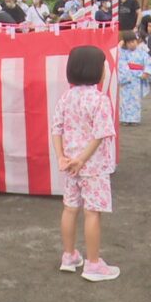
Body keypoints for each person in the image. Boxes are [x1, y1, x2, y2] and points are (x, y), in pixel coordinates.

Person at [52, 46, 120, 282]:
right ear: (96, 70)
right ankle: (93, 264)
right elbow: (100, 134)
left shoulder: (66, 97)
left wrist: (62, 156)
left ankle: (69, 255)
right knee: (92, 213)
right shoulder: (100, 100)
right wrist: (83, 158)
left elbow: (56, 129)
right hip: (94, 167)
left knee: (70, 208)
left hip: (70, 165)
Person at [118, 30, 151, 126]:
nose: (131, 44)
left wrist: (146, 72)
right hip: (127, 79)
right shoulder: (123, 53)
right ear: (125, 43)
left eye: (133, 41)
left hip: (137, 79)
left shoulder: (142, 53)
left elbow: (149, 62)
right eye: (128, 43)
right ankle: (124, 118)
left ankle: (134, 119)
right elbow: (121, 64)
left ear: (137, 41)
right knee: (124, 100)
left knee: (135, 100)